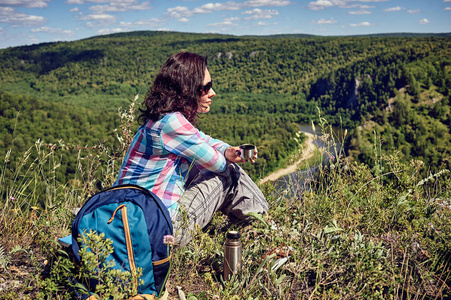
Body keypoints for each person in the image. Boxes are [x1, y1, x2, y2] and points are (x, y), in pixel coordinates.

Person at [113, 52, 268, 246]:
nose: (213, 93)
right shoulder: (173, 123)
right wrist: (226, 158)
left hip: (132, 222)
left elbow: (202, 139)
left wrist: (227, 149)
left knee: (201, 166)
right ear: (187, 90)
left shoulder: (160, 118)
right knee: (228, 172)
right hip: (163, 231)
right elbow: (219, 165)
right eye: (206, 88)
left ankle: (252, 220)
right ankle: (264, 223)